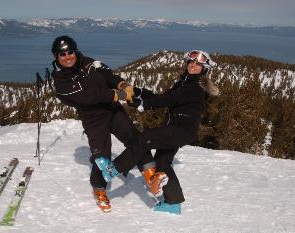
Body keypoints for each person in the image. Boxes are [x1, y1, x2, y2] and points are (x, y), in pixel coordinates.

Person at [50, 35, 168, 213]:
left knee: (137, 140)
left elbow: (108, 75)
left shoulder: (89, 63)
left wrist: (123, 85)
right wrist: (119, 95)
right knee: (102, 159)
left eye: (70, 52)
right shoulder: (61, 81)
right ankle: (99, 190)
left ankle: (151, 178)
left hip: (113, 111)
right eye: (62, 54)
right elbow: (88, 96)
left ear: (76, 50)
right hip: (93, 119)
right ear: (56, 57)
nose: (67, 56)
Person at [95, 50, 219, 215]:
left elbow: (169, 100)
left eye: (198, 64)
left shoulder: (195, 87)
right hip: (177, 128)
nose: (193, 65)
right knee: (162, 163)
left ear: (204, 69)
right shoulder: (184, 83)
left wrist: (143, 106)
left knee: (145, 138)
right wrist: (138, 93)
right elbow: (161, 96)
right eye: (191, 62)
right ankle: (173, 203)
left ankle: (114, 169)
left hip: (182, 129)